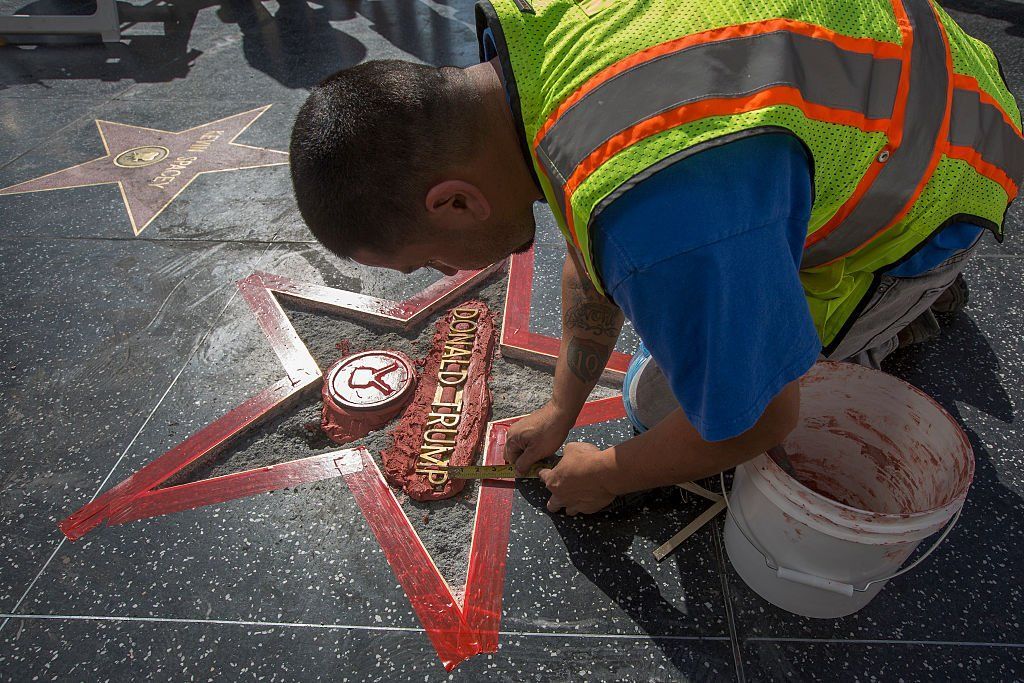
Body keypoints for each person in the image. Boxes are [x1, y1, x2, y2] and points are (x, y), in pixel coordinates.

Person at [289, 0, 1023, 516]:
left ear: (454, 202)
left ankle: (916, 294)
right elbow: (587, 232)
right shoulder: (529, 57)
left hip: (949, 153)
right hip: (879, 57)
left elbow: (759, 419)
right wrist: (562, 409)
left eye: (425, 262)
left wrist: (610, 473)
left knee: (690, 401)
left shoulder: (664, 219)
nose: (449, 277)